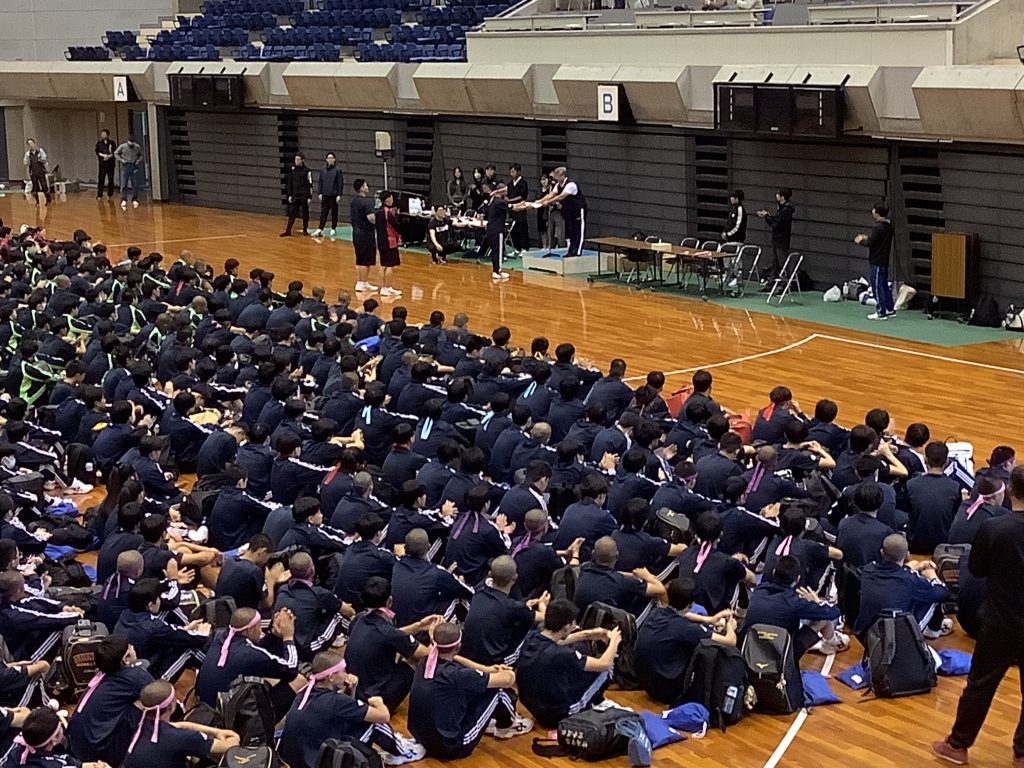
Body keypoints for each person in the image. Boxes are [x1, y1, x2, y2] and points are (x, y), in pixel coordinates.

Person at [933, 465, 1024, 765]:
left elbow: (976, 569)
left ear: (1011, 491)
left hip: (1000, 621)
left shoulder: (994, 527)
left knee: (980, 686)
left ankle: (957, 745)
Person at [406, 621, 531, 760]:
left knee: (472, 691)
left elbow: (455, 659)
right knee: (498, 691)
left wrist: (486, 669)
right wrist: (505, 671)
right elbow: (508, 680)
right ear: (458, 646)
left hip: (422, 738)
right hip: (452, 746)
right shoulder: (458, 675)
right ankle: (507, 726)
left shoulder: (425, 662)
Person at [279, 650, 424, 768]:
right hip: (320, 761)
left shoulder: (305, 692)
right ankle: (403, 752)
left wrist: (351, 689)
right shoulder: (335, 701)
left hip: (298, 758)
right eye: (343, 671)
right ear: (331, 677)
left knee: (356, 719)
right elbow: (383, 716)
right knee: (374, 723)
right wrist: (379, 702)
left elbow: (344, 711)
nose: (347, 674)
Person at [515, 599, 619, 728]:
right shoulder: (563, 654)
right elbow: (604, 663)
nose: (574, 626)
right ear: (565, 627)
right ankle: (595, 702)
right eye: (573, 623)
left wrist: (587, 634)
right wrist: (614, 640)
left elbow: (559, 641)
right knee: (606, 670)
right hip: (557, 715)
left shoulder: (532, 637)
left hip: (532, 706)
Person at [635, 577, 737, 704]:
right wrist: (730, 626)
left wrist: (709, 620)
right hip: (667, 691)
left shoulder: (656, 612)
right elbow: (730, 641)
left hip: (645, 683)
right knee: (706, 650)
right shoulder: (688, 629)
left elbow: (683, 615)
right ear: (690, 604)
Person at [742, 556, 847, 657]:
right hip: (782, 654)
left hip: (750, 650)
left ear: (774, 572)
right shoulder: (794, 602)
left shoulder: (758, 591)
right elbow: (833, 613)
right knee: (821, 618)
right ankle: (832, 643)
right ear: (797, 579)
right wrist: (817, 601)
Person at [122, 680, 238, 768]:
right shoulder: (183, 738)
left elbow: (177, 726)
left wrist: (216, 732)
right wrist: (233, 736)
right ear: (170, 707)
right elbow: (230, 746)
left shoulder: (141, 725)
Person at [856, 534, 949, 638]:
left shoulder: (868, 570)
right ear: (907, 555)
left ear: (882, 552)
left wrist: (909, 568)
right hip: (895, 638)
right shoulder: (910, 580)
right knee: (934, 595)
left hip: (866, 633)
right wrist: (932, 575)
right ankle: (932, 632)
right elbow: (943, 593)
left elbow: (891, 575)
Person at [5, 707, 111, 768]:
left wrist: (83, 765)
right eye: (60, 727)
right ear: (54, 739)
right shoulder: (54, 765)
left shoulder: (16, 751)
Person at [855, 201, 895, 320]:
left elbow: (871, 243)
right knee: (884, 285)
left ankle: (881, 311)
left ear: (877, 213)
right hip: (884, 260)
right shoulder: (888, 226)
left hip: (877, 261)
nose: (872, 211)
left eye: (874, 209)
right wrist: (868, 238)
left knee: (877, 286)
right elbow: (877, 240)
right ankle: (889, 308)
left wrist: (861, 240)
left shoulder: (878, 227)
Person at [536, 167, 587, 257]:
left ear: (562, 175)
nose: (555, 178)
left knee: (578, 230)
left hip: (578, 210)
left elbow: (561, 196)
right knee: (571, 231)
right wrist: (539, 201)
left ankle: (578, 252)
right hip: (570, 211)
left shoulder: (570, 185)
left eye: (557, 176)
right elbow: (551, 195)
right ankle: (571, 251)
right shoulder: (558, 185)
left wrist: (548, 202)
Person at [756, 188, 795, 279]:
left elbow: (776, 224)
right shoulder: (782, 209)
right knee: (775, 262)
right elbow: (777, 220)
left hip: (781, 240)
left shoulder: (786, 210)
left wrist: (767, 217)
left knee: (782, 261)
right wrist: (768, 216)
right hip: (777, 239)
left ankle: (785, 280)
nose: (776, 196)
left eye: (778, 194)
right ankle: (774, 279)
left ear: (782, 197)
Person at [350, 178, 379, 292]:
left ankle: (363, 282)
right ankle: (362, 283)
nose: (367, 187)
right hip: (366, 234)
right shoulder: (366, 202)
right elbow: (371, 218)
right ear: (361, 188)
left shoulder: (353, 201)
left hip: (356, 233)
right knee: (365, 260)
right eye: (366, 185)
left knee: (360, 258)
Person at [479, 185, 511, 281]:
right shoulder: (499, 202)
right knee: (498, 251)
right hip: (497, 230)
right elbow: (513, 207)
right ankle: (497, 271)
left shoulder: (493, 201)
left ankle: (497, 270)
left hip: (491, 229)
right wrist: (528, 205)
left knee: (495, 250)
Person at [375, 190, 403, 297]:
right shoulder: (388, 212)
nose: (392, 200)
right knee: (389, 265)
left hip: (380, 241)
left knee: (383, 265)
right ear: (387, 199)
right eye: (391, 198)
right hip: (389, 241)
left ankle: (383, 287)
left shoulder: (378, 211)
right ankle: (387, 288)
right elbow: (395, 226)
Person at [281, 153, 312, 237]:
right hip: (295, 195)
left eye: (298, 159)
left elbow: (310, 184)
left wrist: (309, 196)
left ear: (302, 160)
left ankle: (305, 230)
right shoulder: (292, 170)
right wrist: (290, 195)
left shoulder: (307, 171)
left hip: (304, 195)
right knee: (292, 213)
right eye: (295, 159)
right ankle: (288, 230)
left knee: (305, 213)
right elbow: (290, 183)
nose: (296, 161)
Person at [313, 152, 343, 237]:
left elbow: (340, 183)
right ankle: (320, 228)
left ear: (334, 159)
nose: (330, 160)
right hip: (325, 194)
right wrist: (320, 192)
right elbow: (320, 182)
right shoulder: (323, 170)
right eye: (329, 158)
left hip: (333, 195)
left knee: (334, 213)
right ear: (326, 159)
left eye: (332, 158)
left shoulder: (338, 170)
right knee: (323, 212)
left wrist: (339, 194)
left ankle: (333, 228)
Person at [115, 135, 144, 210]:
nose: (131, 144)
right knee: (124, 183)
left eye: (132, 142)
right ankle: (123, 199)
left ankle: (135, 199)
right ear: (127, 141)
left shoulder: (137, 147)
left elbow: (141, 155)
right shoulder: (122, 146)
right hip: (126, 165)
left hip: (134, 165)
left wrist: (138, 161)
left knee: (135, 183)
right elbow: (116, 153)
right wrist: (121, 160)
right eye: (130, 142)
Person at [507, 164, 530, 253]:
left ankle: (524, 247)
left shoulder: (523, 183)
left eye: (513, 172)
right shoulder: (510, 184)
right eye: (511, 172)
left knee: (522, 228)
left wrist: (510, 200)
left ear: (518, 172)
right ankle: (516, 248)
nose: (511, 174)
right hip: (512, 208)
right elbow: (508, 194)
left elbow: (522, 196)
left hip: (520, 208)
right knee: (514, 228)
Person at [23, 139, 50, 206]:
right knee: (35, 188)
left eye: (32, 143)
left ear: (34, 143)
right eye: (29, 144)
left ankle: (48, 200)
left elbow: (45, 160)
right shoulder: (28, 154)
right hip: (33, 172)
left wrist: (41, 159)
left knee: (44, 186)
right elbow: (25, 163)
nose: (31, 145)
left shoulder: (40, 151)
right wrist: (28, 161)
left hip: (41, 171)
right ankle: (37, 201)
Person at [95, 129, 116, 200]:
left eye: (104, 134)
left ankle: (110, 194)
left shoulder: (112, 143)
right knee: (101, 179)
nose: (102, 135)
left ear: (107, 135)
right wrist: (103, 155)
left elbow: (114, 152)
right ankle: (99, 194)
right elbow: (97, 151)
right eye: (102, 134)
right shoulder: (99, 143)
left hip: (110, 164)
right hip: (102, 164)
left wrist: (109, 156)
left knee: (111, 179)